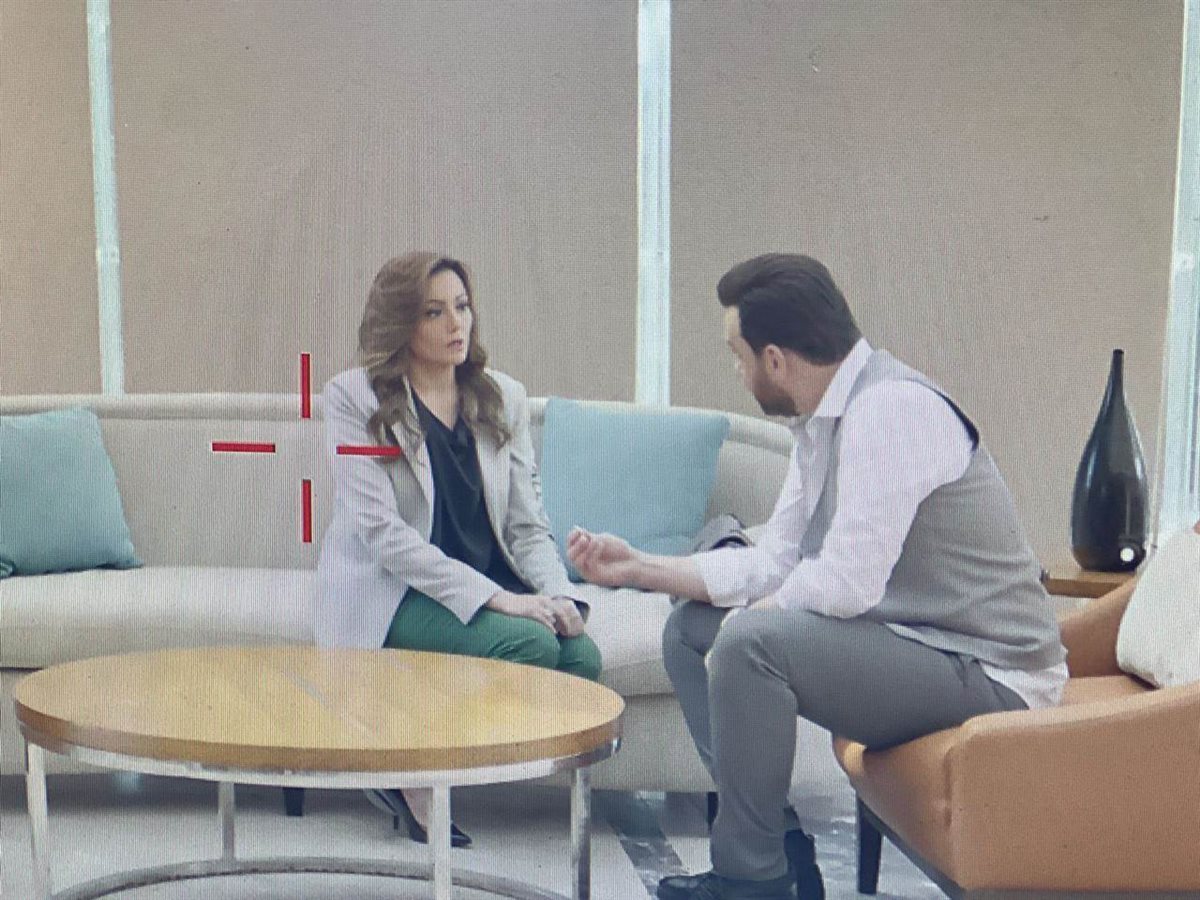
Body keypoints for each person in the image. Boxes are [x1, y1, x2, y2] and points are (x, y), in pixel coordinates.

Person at [567, 253, 1067, 900]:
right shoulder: (823, 423)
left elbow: (848, 583)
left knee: (751, 643)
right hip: (921, 646)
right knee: (690, 630)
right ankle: (778, 854)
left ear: (775, 360)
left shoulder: (891, 412)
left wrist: (756, 619)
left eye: (738, 356)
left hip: (991, 673)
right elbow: (775, 559)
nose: (737, 371)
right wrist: (641, 567)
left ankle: (751, 881)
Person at [316, 251, 601, 847]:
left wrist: (559, 595)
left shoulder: (503, 397)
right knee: (528, 644)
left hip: (488, 583)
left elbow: (526, 526)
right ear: (401, 324)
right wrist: (499, 601)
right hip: (396, 591)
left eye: (463, 307)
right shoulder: (354, 398)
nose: (456, 324)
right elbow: (383, 535)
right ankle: (411, 769)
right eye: (434, 312)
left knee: (580, 660)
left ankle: (408, 747)